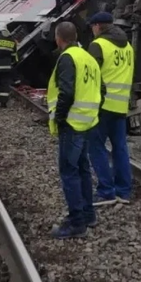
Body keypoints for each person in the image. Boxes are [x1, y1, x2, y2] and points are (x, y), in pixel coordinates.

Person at [47, 21, 102, 239]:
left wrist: (60, 117)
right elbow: (101, 89)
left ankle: (76, 222)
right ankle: (89, 214)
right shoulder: (88, 58)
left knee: (69, 172)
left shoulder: (68, 58)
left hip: (71, 123)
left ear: (59, 38)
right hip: (87, 121)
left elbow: (66, 92)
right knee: (83, 169)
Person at [85, 12, 135, 206]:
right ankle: (124, 191)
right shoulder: (128, 47)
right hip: (120, 106)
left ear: (98, 26)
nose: (92, 30)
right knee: (120, 148)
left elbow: (90, 77)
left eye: (92, 27)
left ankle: (106, 191)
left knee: (96, 147)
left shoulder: (98, 45)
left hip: (102, 106)